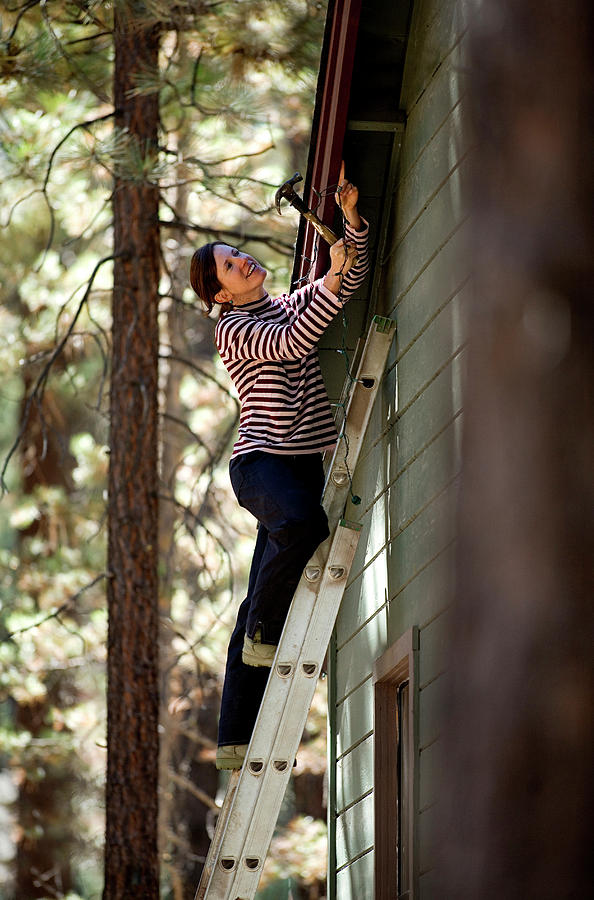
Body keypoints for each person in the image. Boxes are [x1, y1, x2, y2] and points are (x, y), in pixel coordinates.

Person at [189, 166, 369, 769]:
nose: (242, 261)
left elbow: (339, 289)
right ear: (220, 294)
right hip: (261, 467)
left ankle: (235, 740)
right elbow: (295, 340)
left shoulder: (283, 304)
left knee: (253, 601)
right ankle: (267, 629)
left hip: (299, 467)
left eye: (238, 253)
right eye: (229, 266)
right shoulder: (234, 330)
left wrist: (351, 229)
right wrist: (330, 278)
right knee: (302, 526)